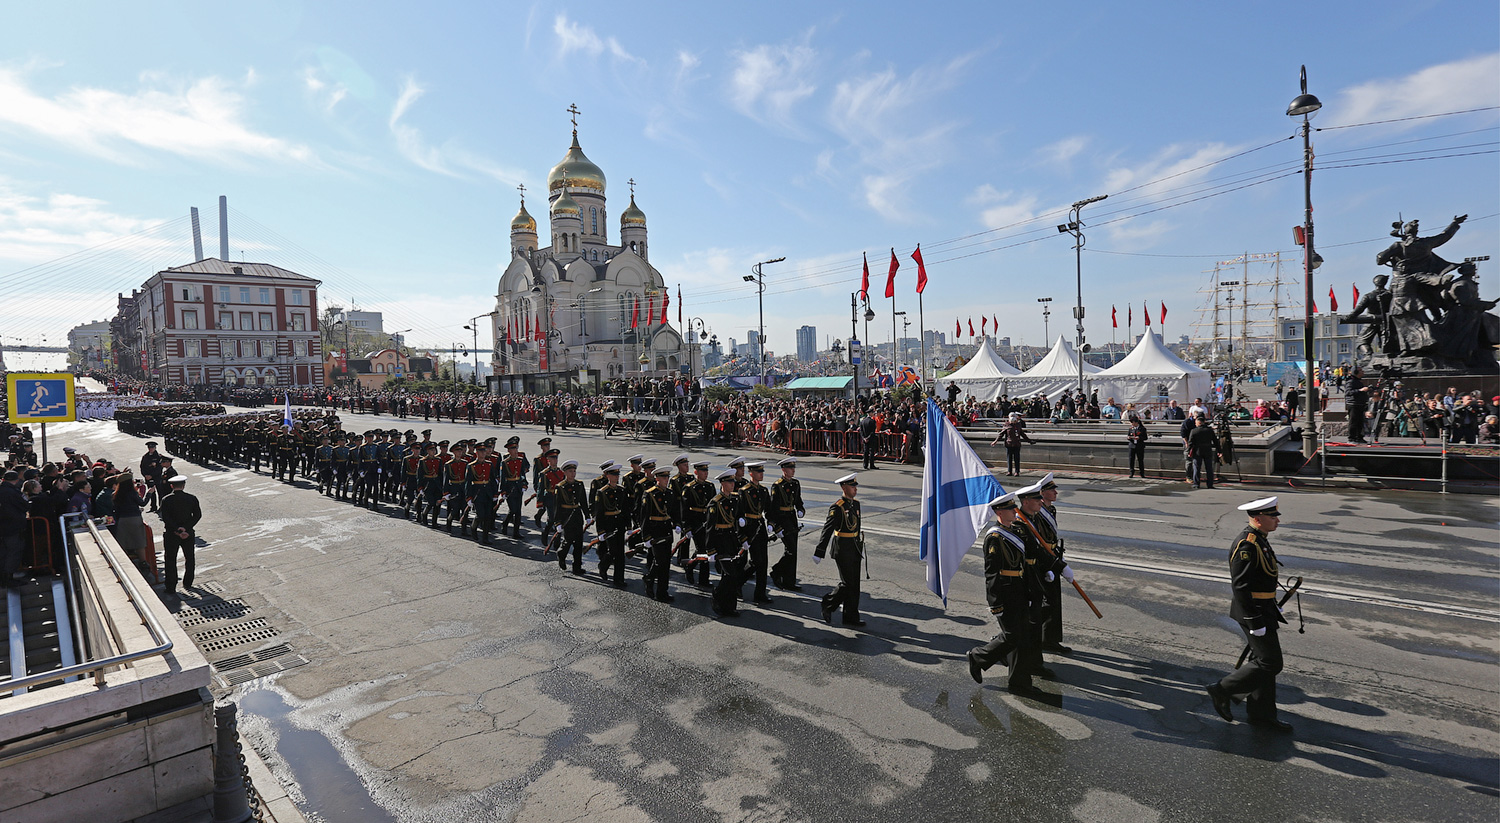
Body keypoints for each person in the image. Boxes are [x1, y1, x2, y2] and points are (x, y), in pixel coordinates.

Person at [1206, 496, 1294, 732]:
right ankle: (1222, 689)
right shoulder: (1247, 544)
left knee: (1262, 662)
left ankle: (1261, 715)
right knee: (1270, 662)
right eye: (1272, 516)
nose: (1277, 521)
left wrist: (1272, 605)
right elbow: (1241, 587)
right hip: (1252, 612)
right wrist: (1254, 620)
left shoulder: (1260, 540)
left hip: (1264, 609)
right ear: (1258, 519)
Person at [965, 492, 1040, 694]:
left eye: (1014, 507)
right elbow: (991, 573)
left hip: (1020, 589)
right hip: (1006, 592)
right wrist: (995, 602)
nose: (1014, 511)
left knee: (1022, 637)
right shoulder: (995, 537)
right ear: (999, 512)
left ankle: (1019, 683)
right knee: (1012, 636)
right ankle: (978, 656)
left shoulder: (1015, 531)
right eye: (1009, 509)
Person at [814, 473, 865, 627]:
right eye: (852, 486)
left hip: (854, 547)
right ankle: (828, 604)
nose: (855, 489)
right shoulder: (837, 507)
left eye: (856, 486)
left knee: (855, 584)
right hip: (842, 548)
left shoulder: (856, 504)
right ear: (844, 487)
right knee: (847, 583)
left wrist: (859, 545)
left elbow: (857, 527)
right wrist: (819, 551)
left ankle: (851, 616)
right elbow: (827, 529)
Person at [638, 467, 678, 602]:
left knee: (665, 563)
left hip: (666, 531)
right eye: (663, 478)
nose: (666, 480)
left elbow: (674, 512)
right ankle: (660, 593)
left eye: (667, 477)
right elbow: (644, 517)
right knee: (661, 562)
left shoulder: (670, 493)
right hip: (655, 533)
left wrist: (678, 524)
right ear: (657, 479)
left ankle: (654, 583)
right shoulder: (649, 494)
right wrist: (646, 537)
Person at [158, 476, 202, 597]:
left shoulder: (166, 499)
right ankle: (188, 582)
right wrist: (186, 528)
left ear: (171, 486)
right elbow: (197, 515)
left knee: (170, 559)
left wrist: (177, 529)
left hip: (171, 533)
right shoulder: (191, 498)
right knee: (190, 558)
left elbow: (165, 518)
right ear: (183, 485)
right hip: (188, 533)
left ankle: (171, 586)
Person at [768, 457, 805, 591]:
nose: (793, 470)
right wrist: (776, 526)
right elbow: (773, 507)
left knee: (793, 550)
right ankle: (777, 571)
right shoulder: (777, 486)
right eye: (790, 468)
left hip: (792, 518)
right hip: (782, 519)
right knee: (791, 549)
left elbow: (798, 501)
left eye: (793, 468)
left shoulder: (795, 483)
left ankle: (789, 581)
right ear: (784, 470)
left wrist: (800, 509)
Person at [592, 465, 630, 587]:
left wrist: (628, 525)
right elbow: (599, 513)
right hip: (608, 524)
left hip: (619, 523)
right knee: (613, 551)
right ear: (608, 476)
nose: (616, 477)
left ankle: (619, 579)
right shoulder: (602, 492)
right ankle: (603, 565)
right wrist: (600, 531)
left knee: (620, 553)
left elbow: (625, 509)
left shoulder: (621, 490)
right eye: (614, 475)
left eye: (617, 475)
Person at [0, 470, 29, 588]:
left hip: (4, 527)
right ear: (16, 480)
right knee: (13, 552)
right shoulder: (13, 492)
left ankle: (4, 578)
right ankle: (8, 578)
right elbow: (24, 505)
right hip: (13, 527)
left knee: (4, 553)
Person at [990, 412, 1034, 476]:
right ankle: (1009, 471)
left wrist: (1029, 441)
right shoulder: (1007, 425)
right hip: (1009, 444)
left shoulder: (1018, 425)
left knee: (1016, 458)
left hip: (1016, 444)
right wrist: (995, 441)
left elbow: (1022, 434)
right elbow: (1001, 434)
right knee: (1009, 458)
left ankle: (1017, 471)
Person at [1187, 415, 1220, 489]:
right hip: (1208, 450)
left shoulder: (1194, 431)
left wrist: (1189, 452)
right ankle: (1210, 484)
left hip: (1197, 451)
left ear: (1198, 423)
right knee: (1209, 468)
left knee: (1196, 468)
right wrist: (1219, 450)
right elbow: (1215, 441)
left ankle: (1196, 483)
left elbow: (1190, 443)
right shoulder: (1209, 430)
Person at [1345, 367, 1369, 444]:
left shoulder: (1358, 381)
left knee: (1360, 422)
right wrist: (1360, 390)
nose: (1363, 372)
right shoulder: (1351, 381)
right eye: (1361, 370)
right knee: (1353, 422)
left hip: (1360, 404)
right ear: (1356, 372)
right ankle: (1351, 438)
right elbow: (1348, 392)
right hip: (1353, 404)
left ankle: (1359, 437)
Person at [1126, 414, 1149, 478]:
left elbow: (1145, 437)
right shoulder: (1131, 429)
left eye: (1133, 422)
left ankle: (1142, 473)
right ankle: (1131, 472)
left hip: (1139, 446)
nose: (1132, 424)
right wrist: (1129, 437)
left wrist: (1139, 438)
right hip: (1132, 445)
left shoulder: (1142, 429)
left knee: (1140, 460)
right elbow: (1128, 435)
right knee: (1131, 459)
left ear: (1136, 422)